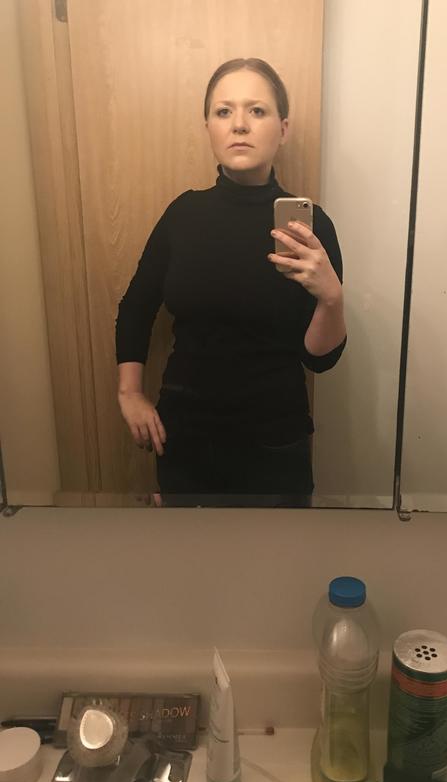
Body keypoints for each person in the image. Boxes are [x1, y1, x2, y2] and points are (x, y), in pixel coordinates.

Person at [115, 58, 346, 506]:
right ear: (208, 127)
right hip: (185, 435)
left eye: (257, 110)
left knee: (279, 552)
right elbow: (136, 308)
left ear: (283, 128)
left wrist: (331, 299)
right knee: (191, 551)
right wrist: (129, 393)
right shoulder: (183, 215)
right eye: (224, 111)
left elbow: (320, 360)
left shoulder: (312, 226)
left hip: (275, 441)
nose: (239, 124)